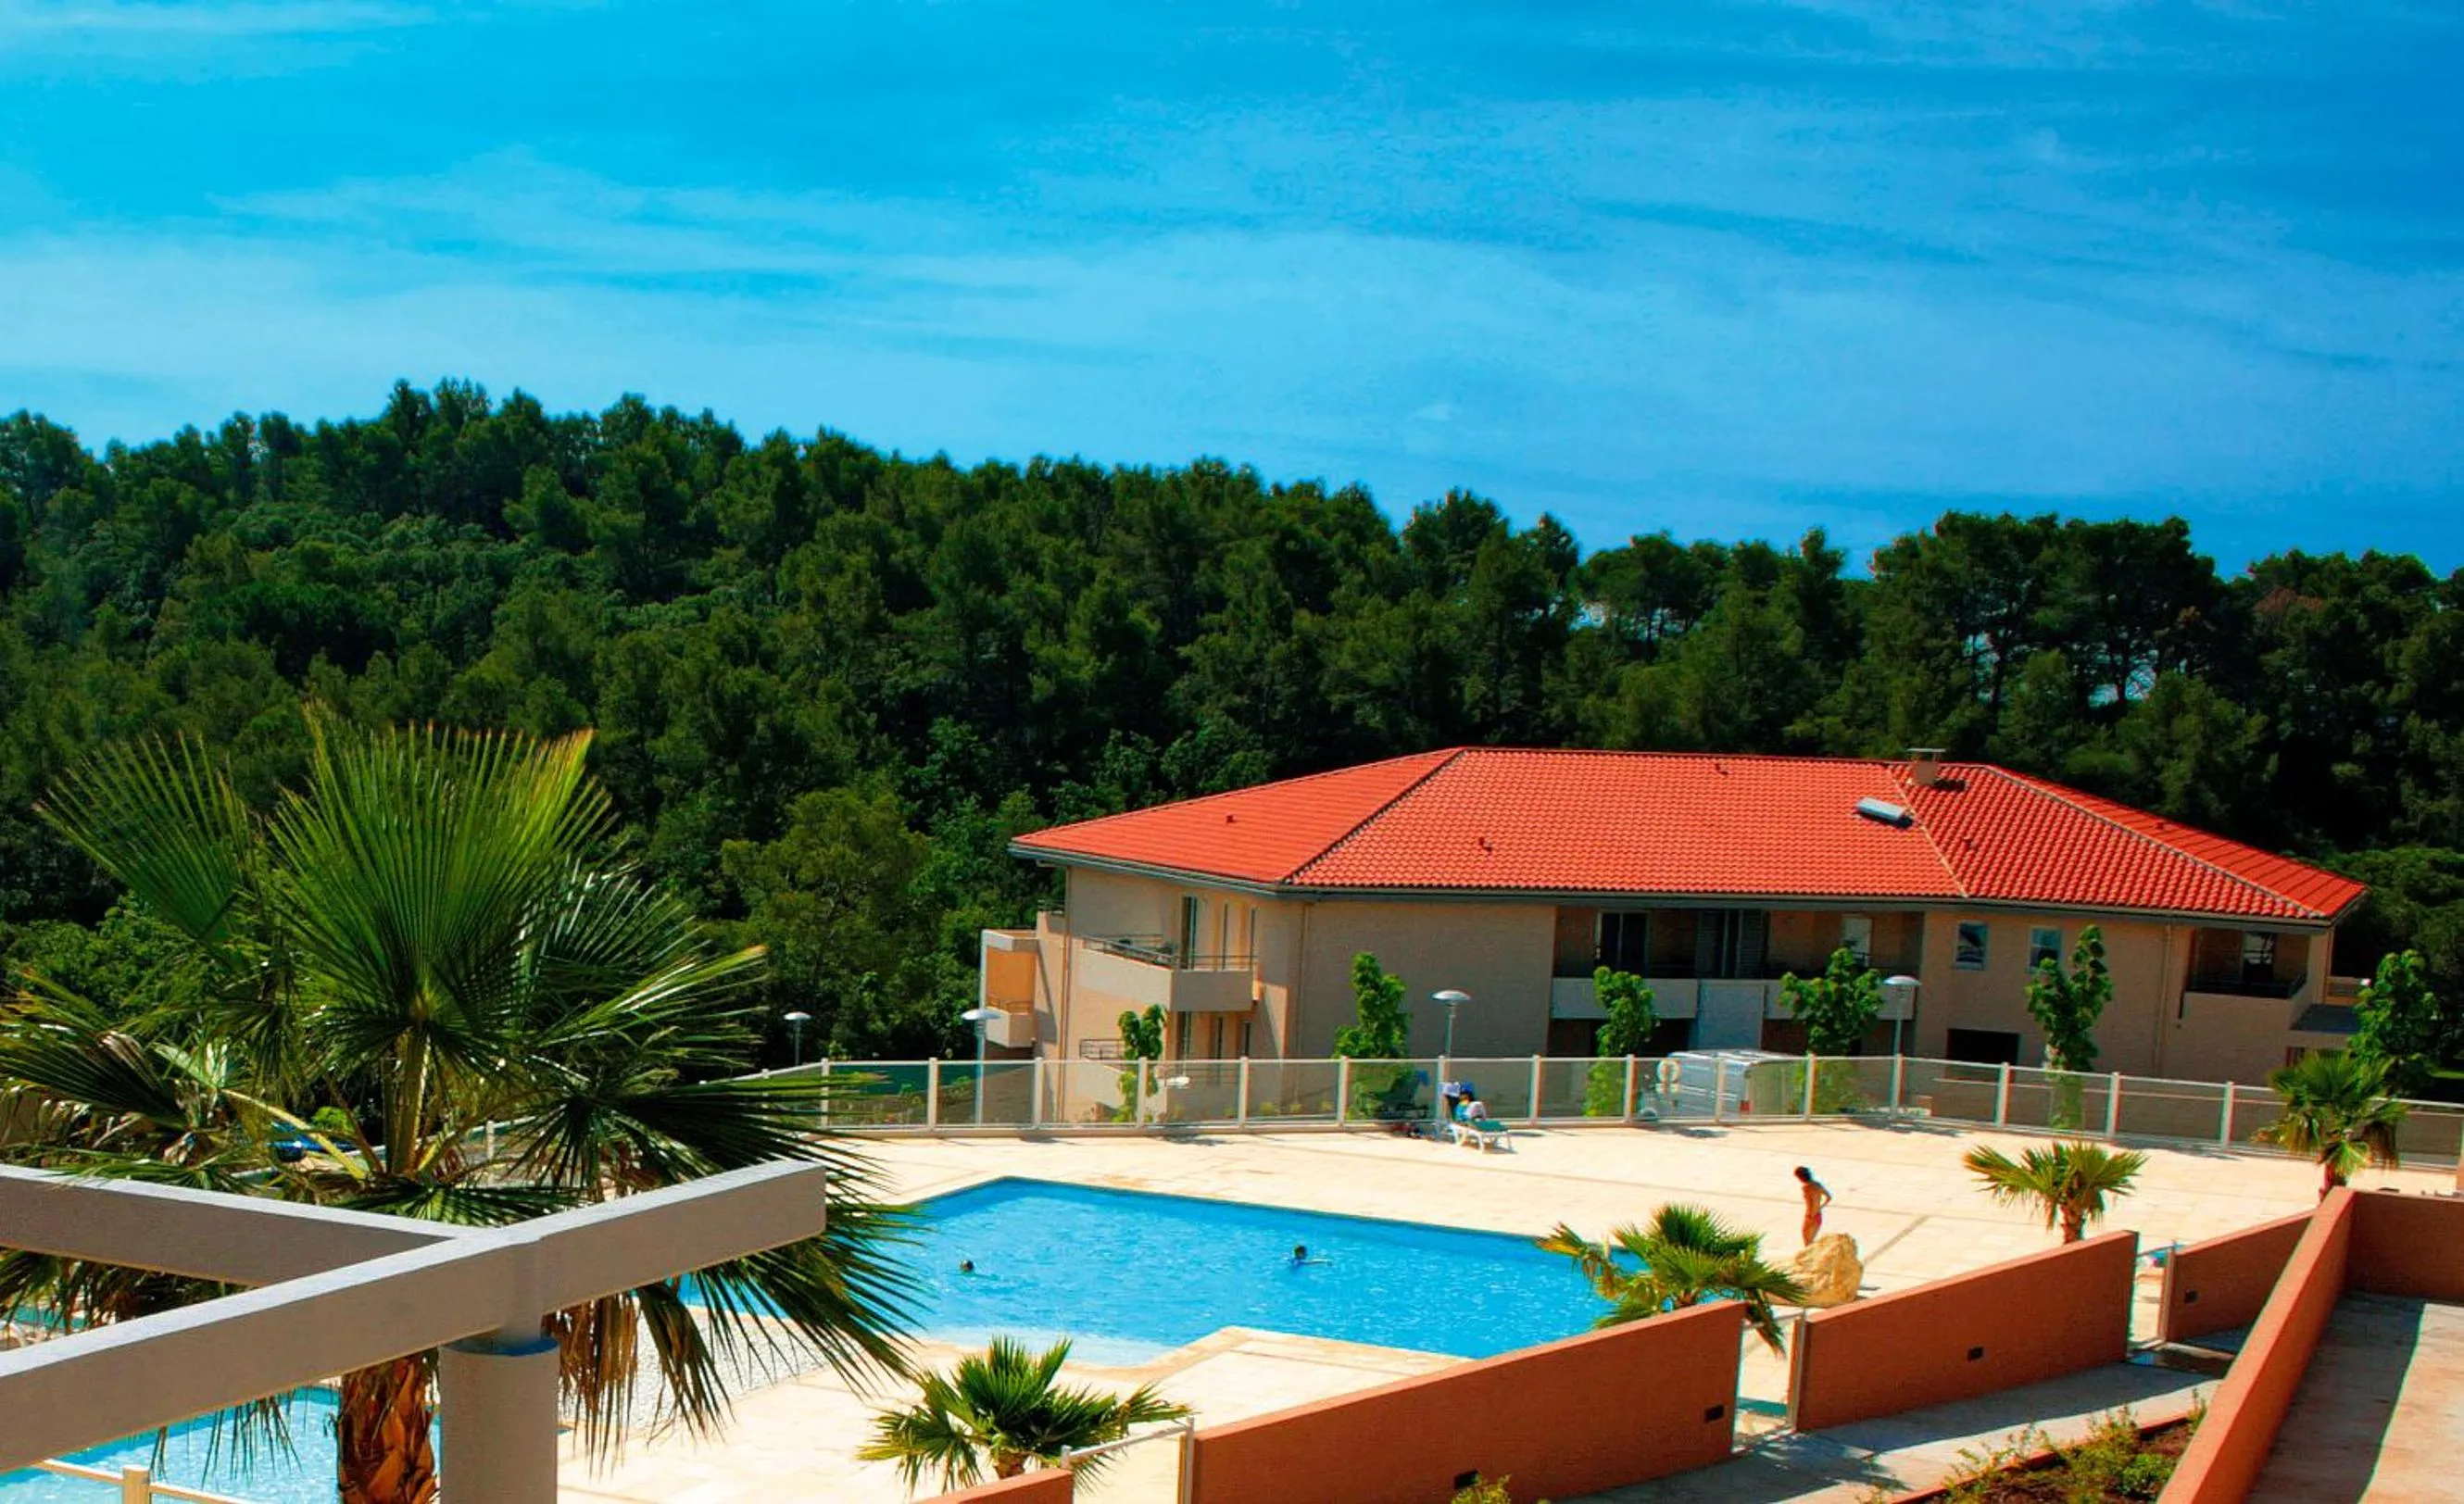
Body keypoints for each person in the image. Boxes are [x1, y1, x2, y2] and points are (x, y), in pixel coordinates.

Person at [1795, 1166, 1832, 1246]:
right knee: (1810, 1241)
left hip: (1810, 1215)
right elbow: (1829, 1197)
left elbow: (1811, 1203)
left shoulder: (1806, 1188)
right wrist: (1821, 1207)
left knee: (1807, 1242)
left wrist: (1811, 1216)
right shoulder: (1818, 1185)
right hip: (1817, 1214)